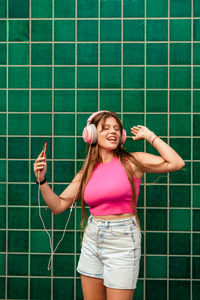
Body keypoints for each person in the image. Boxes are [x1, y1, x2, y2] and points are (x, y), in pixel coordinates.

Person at [34, 110, 185, 300]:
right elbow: (58, 206)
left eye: (116, 128)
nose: (112, 131)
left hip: (123, 240)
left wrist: (150, 136)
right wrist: (42, 181)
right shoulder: (86, 171)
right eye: (105, 128)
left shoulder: (133, 161)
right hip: (92, 239)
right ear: (92, 135)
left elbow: (176, 163)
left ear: (122, 137)